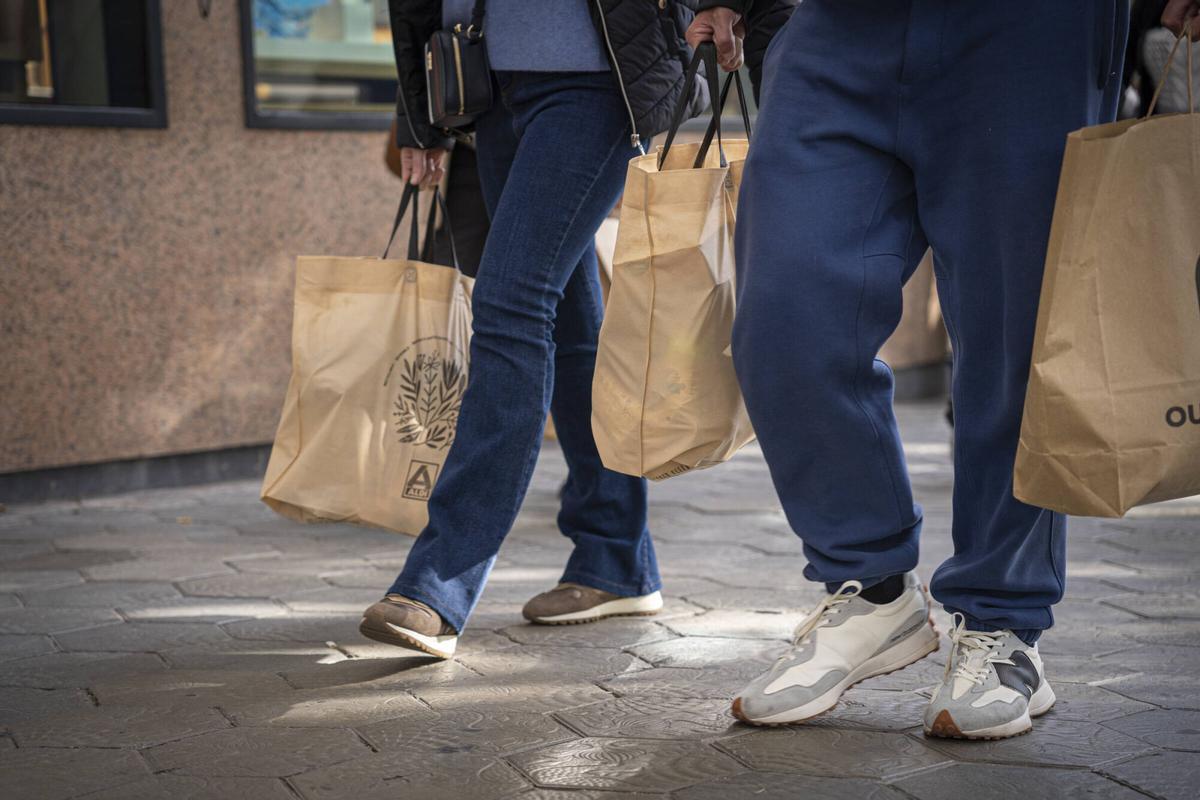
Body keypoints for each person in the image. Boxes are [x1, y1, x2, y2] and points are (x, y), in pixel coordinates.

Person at [687, 0, 1200, 740]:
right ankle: (872, 588)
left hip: (1031, 34)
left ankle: (1003, 620)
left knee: (1015, 342)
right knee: (783, 317)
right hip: (836, 28)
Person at [359, 0, 793, 660]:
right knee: (564, 312)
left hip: (596, 73)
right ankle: (613, 556)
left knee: (510, 304)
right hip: (483, 72)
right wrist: (417, 110)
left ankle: (440, 577)